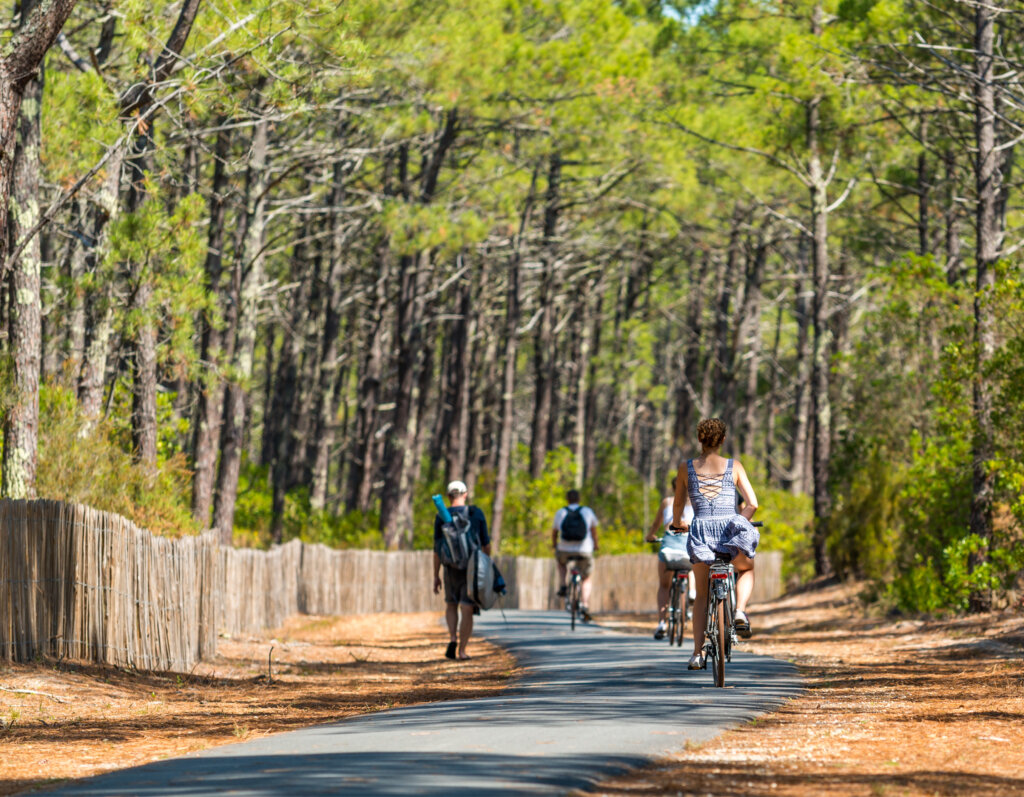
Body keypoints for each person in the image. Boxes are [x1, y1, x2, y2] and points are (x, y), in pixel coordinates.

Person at [671, 418, 759, 670]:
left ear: (699, 439)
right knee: (747, 568)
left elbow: (678, 504)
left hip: (700, 531)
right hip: (730, 530)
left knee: (701, 595)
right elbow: (752, 503)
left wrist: (678, 523)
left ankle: (697, 654)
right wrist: (738, 523)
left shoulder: (685, 467)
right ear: (722, 440)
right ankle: (740, 611)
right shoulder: (735, 466)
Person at [432, 480, 491, 661]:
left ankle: (452, 638)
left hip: (450, 568)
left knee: (451, 604)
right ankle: (463, 651)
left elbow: (436, 549)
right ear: (465, 494)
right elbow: (486, 545)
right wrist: (485, 566)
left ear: (449, 497)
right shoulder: (475, 513)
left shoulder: (441, 516)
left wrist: (435, 575)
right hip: (471, 568)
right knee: (467, 608)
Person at [645, 477, 695, 640]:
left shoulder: (667, 502)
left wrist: (651, 535)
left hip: (669, 546)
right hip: (688, 546)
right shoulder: (696, 503)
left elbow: (655, 525)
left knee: (664, 586)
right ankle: (692, 590)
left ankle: (662, 623)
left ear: (674, 488)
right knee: (694, 564)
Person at [552, 489, 599, 622]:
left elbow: (555, 532)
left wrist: (555, 545)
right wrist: (595, 545)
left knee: (561, 563)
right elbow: (593, 531)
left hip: (564, 549)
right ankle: (584, 604)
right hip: (584, 550)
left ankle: (562, 584)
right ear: (579, 499)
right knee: (586, 578)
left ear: (567, 499)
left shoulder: (561, 512)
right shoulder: (587, 511)